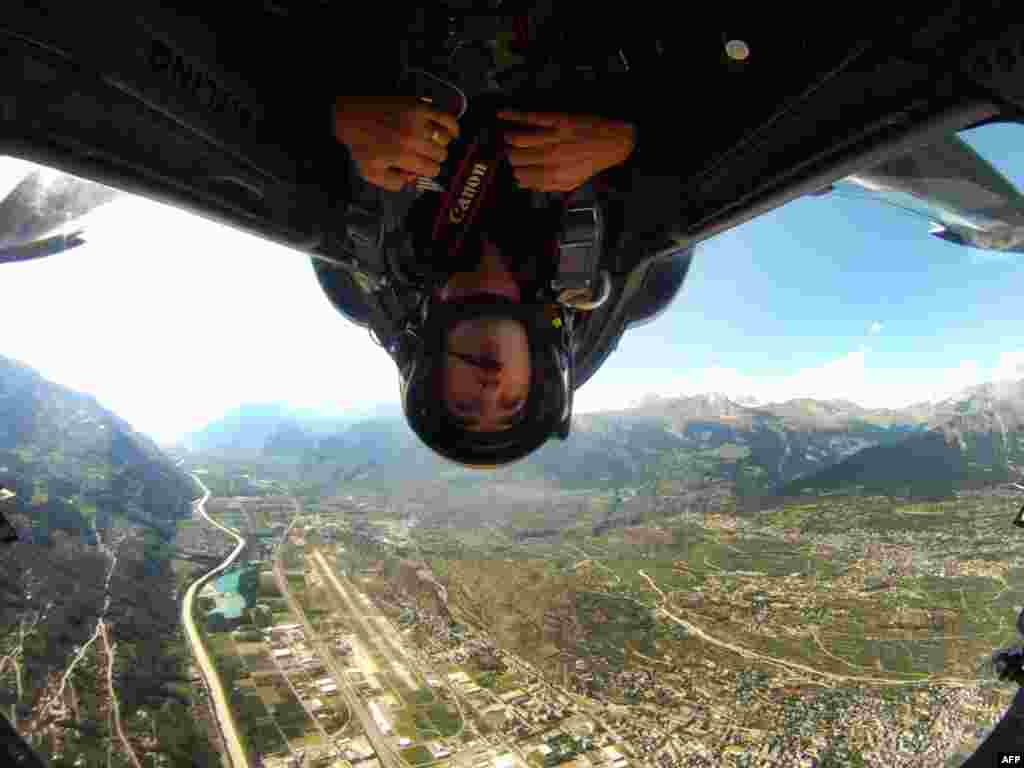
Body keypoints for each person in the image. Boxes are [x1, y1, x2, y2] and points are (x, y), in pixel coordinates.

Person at [315, 7, 693, 469]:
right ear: (537, 373)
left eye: (467, 407)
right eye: (513, 403)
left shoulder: (358, 268)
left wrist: (334, 120)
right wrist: (632, 144)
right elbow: (750, 135)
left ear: (433, 375)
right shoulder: (637, 280)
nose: (491, 388)